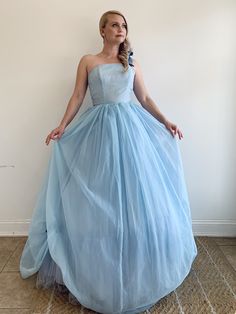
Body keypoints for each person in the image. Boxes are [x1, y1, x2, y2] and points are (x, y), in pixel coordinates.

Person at [20, 9, 197, 314]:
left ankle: (133, 257)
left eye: (124, 25)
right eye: (114, 25)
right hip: (98, 131)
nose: (120, 29)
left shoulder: (131, 62)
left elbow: (145, 99)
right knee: (99, 195)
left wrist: (167, 121)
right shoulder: (88, 61)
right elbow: (77, 96)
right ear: (102, 30)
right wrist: (62, 125)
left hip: (131, 132)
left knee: (137, 195)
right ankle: (97, 260)